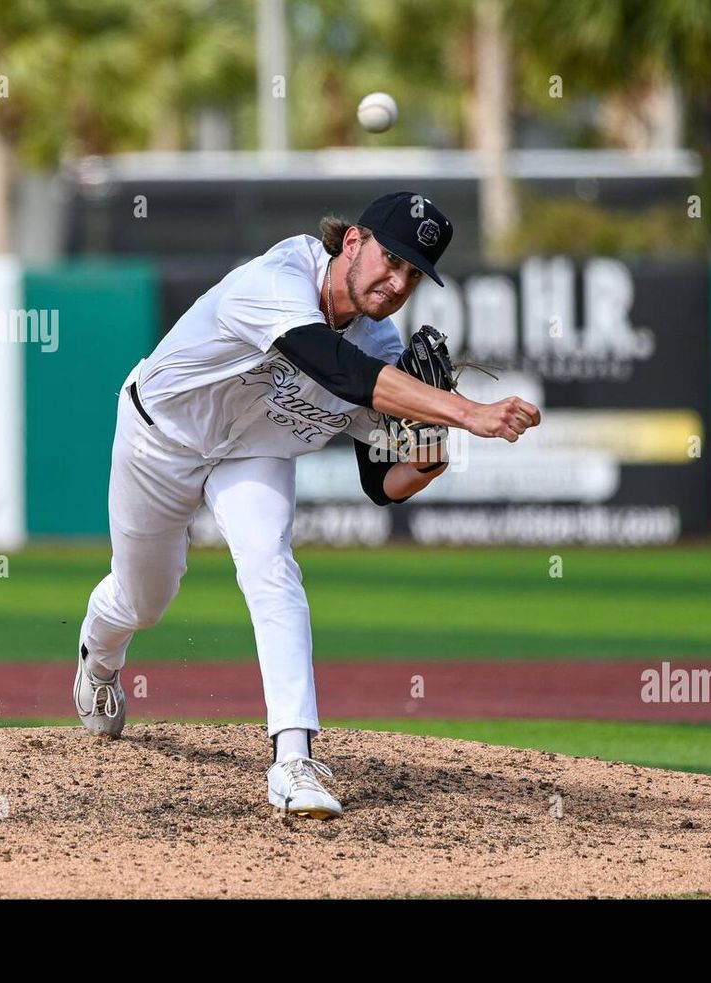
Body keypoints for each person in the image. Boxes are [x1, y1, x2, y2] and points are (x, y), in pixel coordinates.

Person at [73, 191, 542, 817]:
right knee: (144, 600)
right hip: (162, 436)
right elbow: (335, 368)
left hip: (253, 453)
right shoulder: (277, 279)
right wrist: (469, 412)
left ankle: (293, 759)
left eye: (413, 273)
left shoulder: (379, 345)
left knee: (272, 569)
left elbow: (385, 484)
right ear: (352, 242)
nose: (397, 281)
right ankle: (98, 659)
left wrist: (435, 440)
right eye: (390, 258)